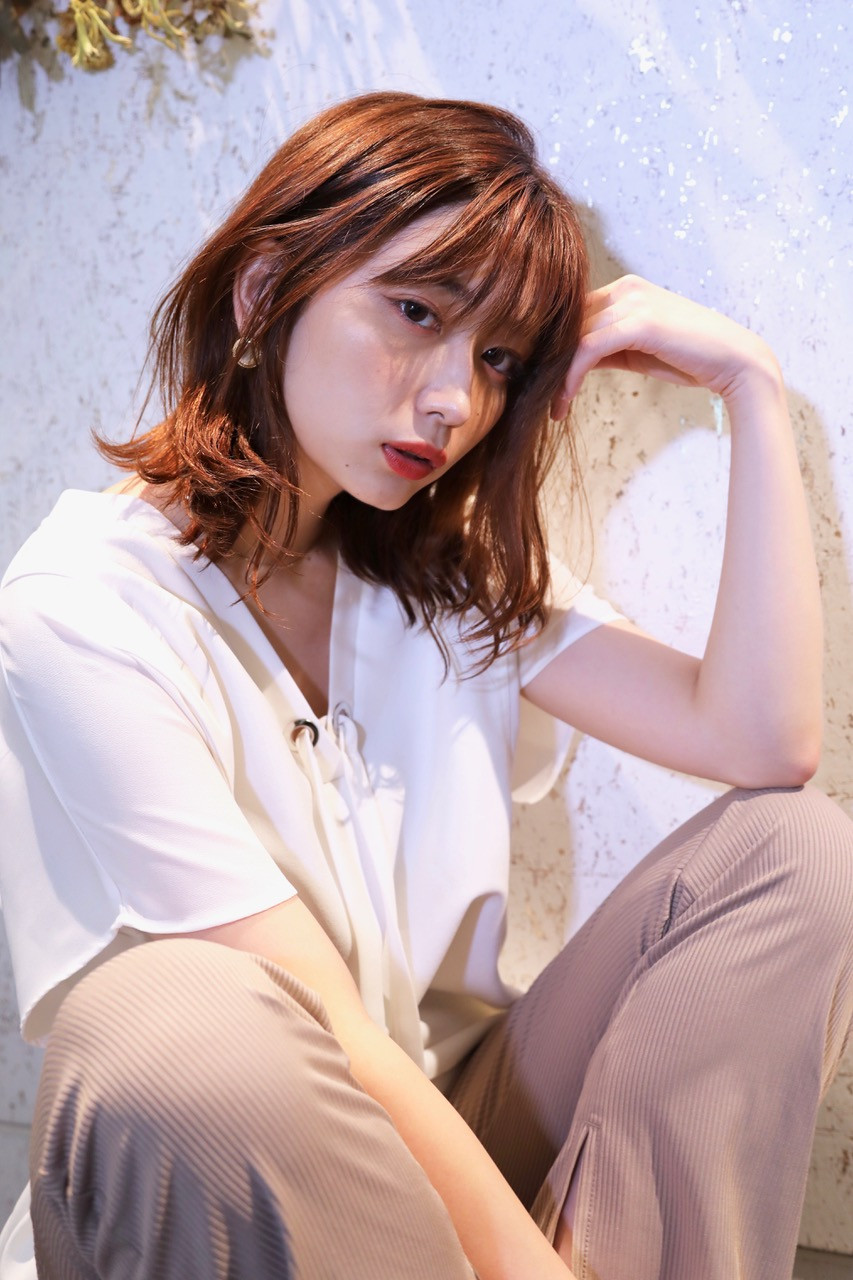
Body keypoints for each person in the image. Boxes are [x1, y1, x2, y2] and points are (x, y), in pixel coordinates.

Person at [0, 90, 851, 1280]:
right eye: (416, 312)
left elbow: (761, 740)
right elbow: (325, 1020)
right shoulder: (81, 604)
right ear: (265, 289)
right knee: (167, 1014)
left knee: (793, 852)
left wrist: (751, 388)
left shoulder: (441, 581)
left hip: (456, 1133)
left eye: (496, 358)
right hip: (245, 1182)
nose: (455, 400)